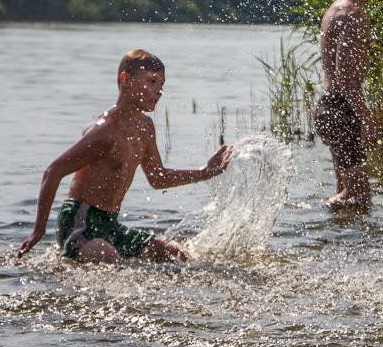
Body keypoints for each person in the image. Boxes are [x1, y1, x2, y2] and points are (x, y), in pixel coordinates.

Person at [17, 49, 232, 263]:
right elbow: (53, 171)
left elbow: (158, 178)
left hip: (110, 223)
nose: (158, 91)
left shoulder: (145, 128)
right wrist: (38, 230)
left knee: (175, 256)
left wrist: (205, 173)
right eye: (152, 82)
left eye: (161, 85)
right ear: (126, 79)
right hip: (80, 220)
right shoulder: (105, 131)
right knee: (108, 259)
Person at [314, 0, 383, 210]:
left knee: (347, 192)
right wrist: (366, 119)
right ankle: (313, 216)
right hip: (341, 109)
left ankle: (338, 238)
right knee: (359, 197)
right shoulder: (353, 15)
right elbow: (346, 79)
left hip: (329, 106)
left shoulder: (335, 9)